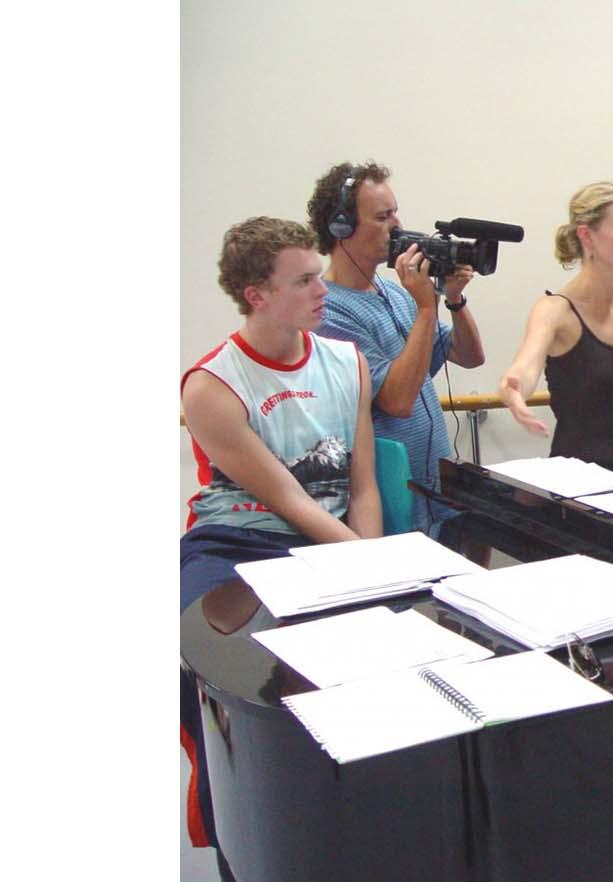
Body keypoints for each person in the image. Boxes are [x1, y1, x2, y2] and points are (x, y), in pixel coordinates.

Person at [180, 216, 382, 874]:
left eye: (318, 273)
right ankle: (232, 823)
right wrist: (362, 561)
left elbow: (362, 486)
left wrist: (373, 567)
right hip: (235, 544)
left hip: (326, 540)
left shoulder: (344, 359)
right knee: (222, 677)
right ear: (255, 294)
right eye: (303, 280)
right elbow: (287, 500)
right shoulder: (211, 385)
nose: (322, 288)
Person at [306, 161, 486, 534]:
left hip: (436, 486)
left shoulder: (394, 293)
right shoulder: (328, 312)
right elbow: (397, 401)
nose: (398, 225)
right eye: (383, 216)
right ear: (343, 227)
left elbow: (469, 357)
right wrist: (425, 306)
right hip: (387, 491)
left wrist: (452, 299)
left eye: (396, 212)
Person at [498, 181, 613, 474]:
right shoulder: (555, 310)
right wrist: (513, 389)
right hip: (575, 481)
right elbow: (525, 368)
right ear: (587, 236)